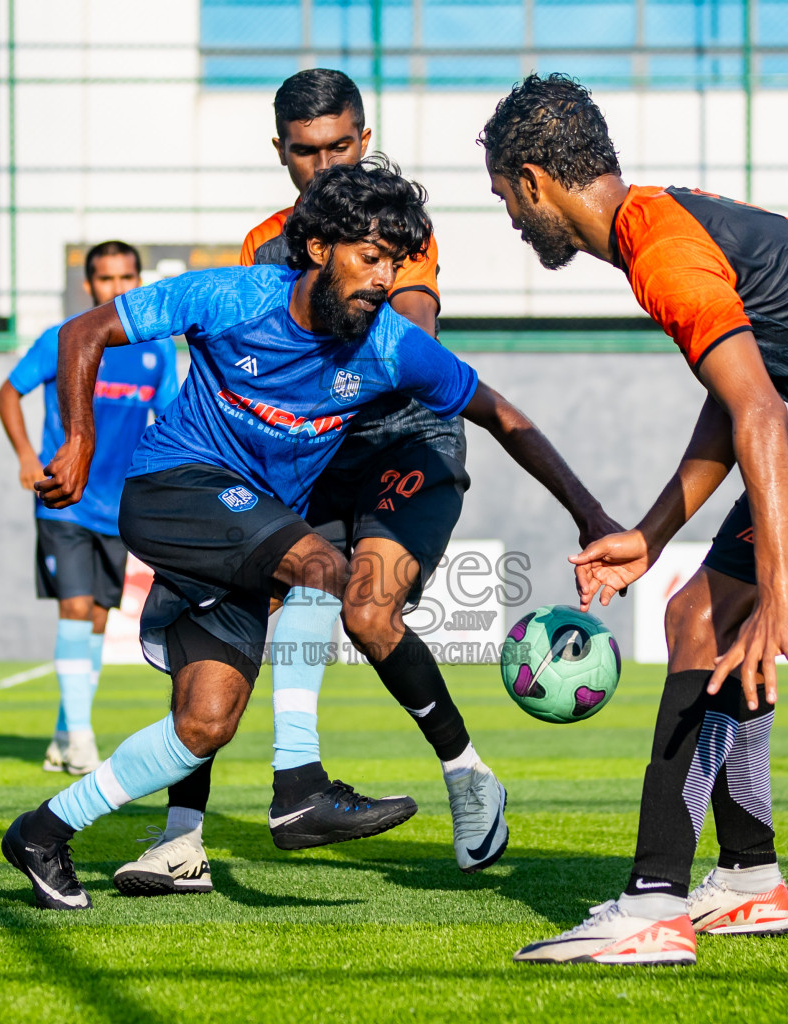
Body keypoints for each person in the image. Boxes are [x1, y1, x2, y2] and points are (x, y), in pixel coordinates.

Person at [1, 158, 616, 910]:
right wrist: (80, 442)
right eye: (369, 257)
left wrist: (590, 514)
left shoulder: (391, 344)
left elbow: (502, 415)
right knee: (328, 567)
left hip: (247, 530)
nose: (383, 277)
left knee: (205, 722)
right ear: (319, 247)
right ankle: (299, 785)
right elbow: (86, 331)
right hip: (174, 489)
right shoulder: (232, 296)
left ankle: (43, 831)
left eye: (393, 262)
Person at [479, 75, 788, 966]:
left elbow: (758, 412)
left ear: (532, 179)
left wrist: (779, 594)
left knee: (699, 620)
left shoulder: (661, 250)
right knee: (709, 618)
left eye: (504, 201)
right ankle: (750, 879)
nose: (513, 222)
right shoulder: (663, 225)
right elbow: (734, 399)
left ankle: (653, 906)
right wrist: (653, 534)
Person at [118, 69, 586, 896]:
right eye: (306, 151)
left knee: (368, 608)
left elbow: (408, 336)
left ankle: (469, 779)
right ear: (282, 153)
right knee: (235, 601)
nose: (323, 163)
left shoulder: (393, 227)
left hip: (408, 437)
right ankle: (187, 835)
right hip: (313, 447)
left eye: (339, 145)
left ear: (363, 142)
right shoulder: (264, 244)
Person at [0, 241, 178, 775]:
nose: (116, 289)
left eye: (126, 278)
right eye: (105, 279)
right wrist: (28, 456)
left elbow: (166, 422)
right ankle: (81, 740)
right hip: (63, 502)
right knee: (75, 609)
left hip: (117, 507)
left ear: (137, 280)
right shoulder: (64, 338)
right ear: (89, 284)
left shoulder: (157, 349)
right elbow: (8, 393)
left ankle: (63, 730)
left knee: (96, 621)